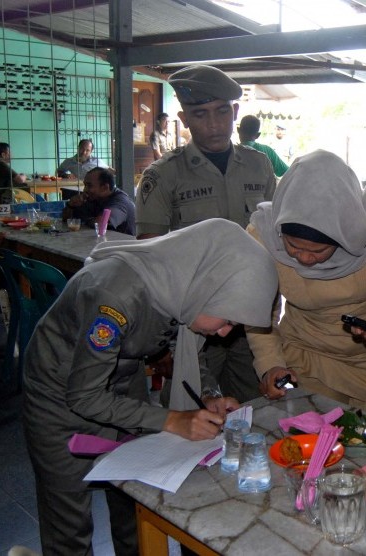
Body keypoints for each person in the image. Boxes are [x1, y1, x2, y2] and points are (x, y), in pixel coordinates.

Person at [22, 218, 278, 556]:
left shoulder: (182, 285)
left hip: (120, 380)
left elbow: (182, 343)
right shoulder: (115, 298)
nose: (226, 333)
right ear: (207, 288)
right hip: (58, 394)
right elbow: (84, 395)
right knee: (69, 520)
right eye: (229, 320)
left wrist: (209, 395)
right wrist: (172, 420)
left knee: (131, 499)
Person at [136, 64, 278, 403]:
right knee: (192, 410)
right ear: (184, 120)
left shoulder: (259, 165)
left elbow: (274, 239)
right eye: (200, 115)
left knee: (255, 406)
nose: (214, 124)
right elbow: (151, 260)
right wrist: (160, 343)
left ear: (236, 112)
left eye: (222, 112)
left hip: (251, 320)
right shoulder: (163, 175)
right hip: (195, 324)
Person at [246, 150, 366, 413]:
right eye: (292, 246)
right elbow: (259, 315)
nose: (304, 259)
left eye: (318, 251)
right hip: (305, 359)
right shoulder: (264, 236)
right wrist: (270, 365)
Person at [61, 167, 136, 235]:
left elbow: (100, 223)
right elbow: (67, 220)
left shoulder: (120, 202)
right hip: (102, 243)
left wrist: (86, 220)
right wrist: (71, 205)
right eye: (85, 185)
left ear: (105, 188)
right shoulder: (93, 198)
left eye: (89, 186)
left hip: (123, 248)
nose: (85, 190)